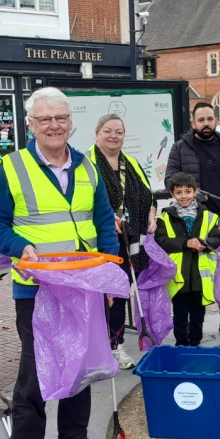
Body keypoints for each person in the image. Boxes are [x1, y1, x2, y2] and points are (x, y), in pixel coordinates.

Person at [0, 87, 119, 439]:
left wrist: (110, 277)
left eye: (60, 118)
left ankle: (73, 436)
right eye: (45, 120)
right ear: (31, 124)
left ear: (71, 122)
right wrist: (18, 246)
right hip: (37, 289)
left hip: (84, 285)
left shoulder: (88, 168)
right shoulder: (13, 167)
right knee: (36, 372)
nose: (54, 126)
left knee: (81, 364)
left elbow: (104, 223)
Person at [165, 102, 220, 337]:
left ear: (216, 121)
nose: (206, 123)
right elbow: (169, 180)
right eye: (201, 120)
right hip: (195, 221)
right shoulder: (180, 147)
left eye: (210, 119)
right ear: (193, 123)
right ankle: (190, 326)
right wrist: (190, 191)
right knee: (196, 270)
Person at [86, 114, 157, 369]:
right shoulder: (86, 163)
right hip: (100, 244)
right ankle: (99, 347)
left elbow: (148, 195)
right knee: (101, 296)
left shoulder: (132, 164)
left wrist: (152, 214)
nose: (113, 136)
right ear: (97, 133)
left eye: (119, 132)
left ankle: (116, 346)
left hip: (130, 243)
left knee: (119, 293)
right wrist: (106, 220)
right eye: (108, 131)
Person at [154, 172, 220, 347]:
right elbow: (162, 241)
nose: (184, 196)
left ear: (195, 192)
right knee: (180, 315)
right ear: (172, 194)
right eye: (179, 192)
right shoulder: (165, 217)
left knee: (198, 315)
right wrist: (185, 243)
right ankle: (181, 344)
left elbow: (216, 239)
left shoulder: (209, 216)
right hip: (179, 277)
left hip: (200, 278)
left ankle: (195, 343)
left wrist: (205, 243)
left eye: (188, 191)